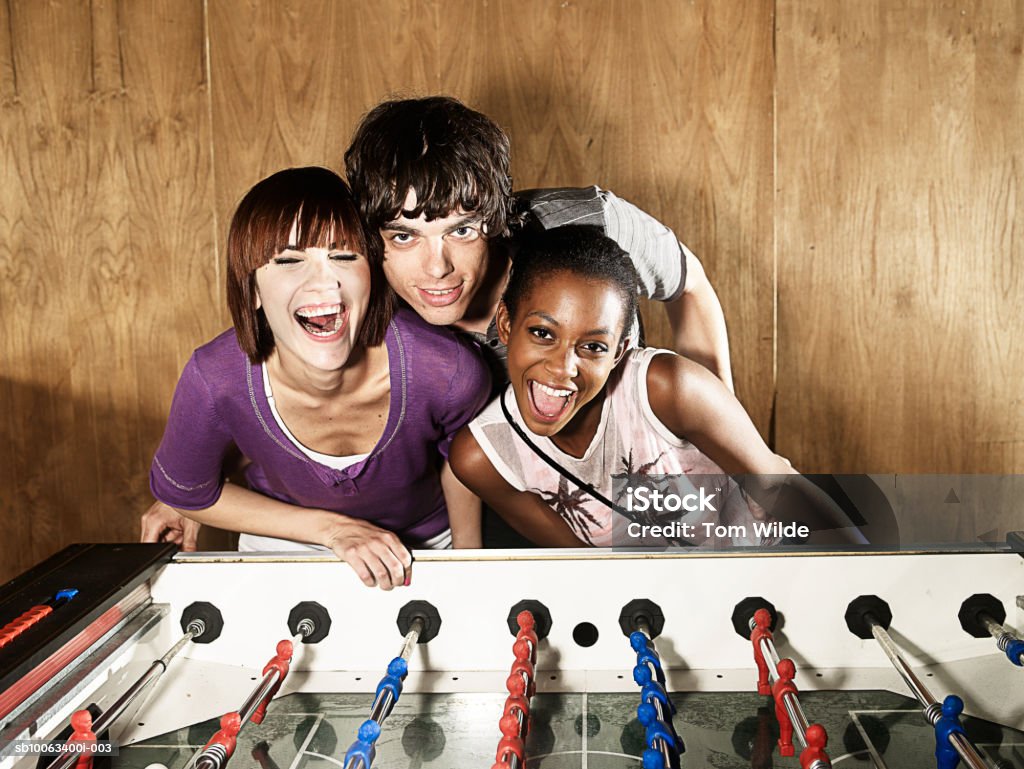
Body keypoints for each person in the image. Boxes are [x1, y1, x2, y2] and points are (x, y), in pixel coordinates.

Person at [143, 167, 490, 588]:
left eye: (344, 257)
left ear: (372, 278)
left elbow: (464, 469)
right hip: (281, 543)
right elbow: (187, 493)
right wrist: (333, 531)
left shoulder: (446, 369)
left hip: (424, 548)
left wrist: (471, 569)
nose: (324, 282)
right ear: (251, 287)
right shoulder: (214, 378)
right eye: (289, 261)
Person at [449, 226, 862, 548]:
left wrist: (873, 583)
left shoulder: (669, 388)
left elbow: (778, 484)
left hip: (775, 572)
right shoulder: (482, 458)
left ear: (620, 350)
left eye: (593, 346)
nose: (563, 368)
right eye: (542, 333)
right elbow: (580, 565)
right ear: (506, 324)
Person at [343, 95, 733, 390]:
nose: (436, 267)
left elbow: (688, 284)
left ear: (496, 215)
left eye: (460, 231)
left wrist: (716, 437)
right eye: (404, 236)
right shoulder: (363, 309)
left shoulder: (593, 223)